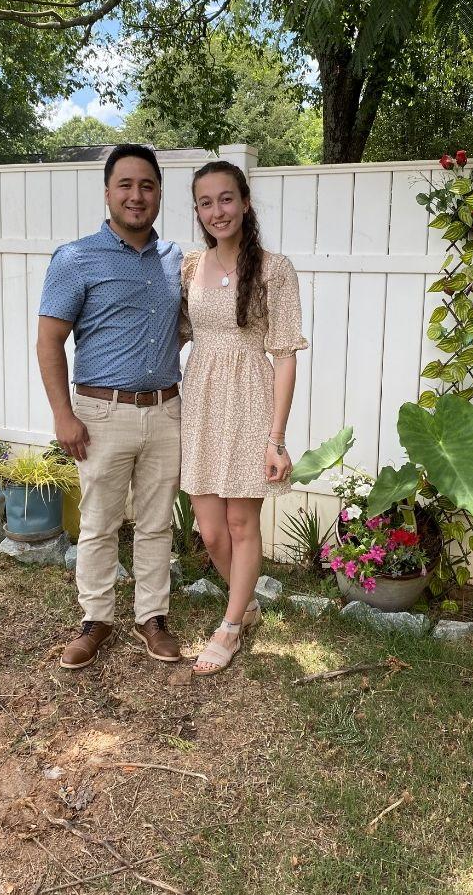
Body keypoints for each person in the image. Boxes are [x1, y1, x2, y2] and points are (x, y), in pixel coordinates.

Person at [36, 143, 185, 670]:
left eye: (147, 185)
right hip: (100, 415)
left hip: (166, 411)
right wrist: (63, 415)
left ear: (159, 193)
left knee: (156, 524)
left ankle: (152, 618)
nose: (136, 195)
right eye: (125, 185)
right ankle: (95, 620)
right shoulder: (74, 259)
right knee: (99, 524)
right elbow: (49, 341)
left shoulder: (177, 261)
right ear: (107, 193)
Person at [180, 160, 308, 676]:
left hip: (251, 400)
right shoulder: (190, 266)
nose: (218, 211)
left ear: (245, 201)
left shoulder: (275, 269)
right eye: (206, 202)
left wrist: (276, 437)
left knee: (240, 522)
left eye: (226, 198)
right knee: (211, 531)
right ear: (198, 211)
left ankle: (230, 626)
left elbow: (285, 355)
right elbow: (178, 332)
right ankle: (246, 602)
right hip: (201, 401)